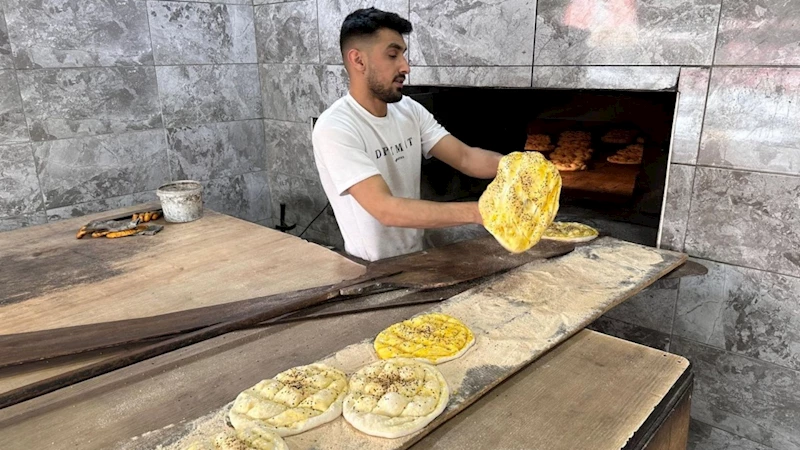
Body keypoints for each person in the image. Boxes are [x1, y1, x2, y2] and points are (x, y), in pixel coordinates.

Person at [312, 8, 503, 262]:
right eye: (393, 55)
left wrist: (522, 166)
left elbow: (466, 157)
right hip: (369, 268)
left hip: (416, 257)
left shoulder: (409, 110)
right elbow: (385, 209)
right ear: (358, 61)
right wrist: (481, 212)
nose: (406, 66)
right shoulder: (335, 127)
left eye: (403, 54)